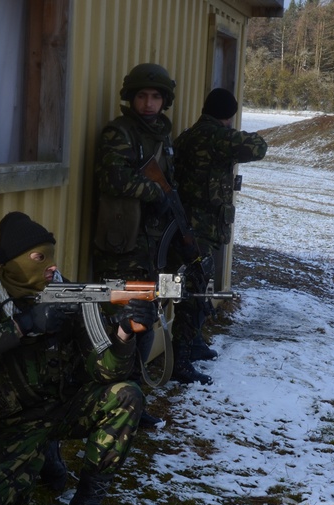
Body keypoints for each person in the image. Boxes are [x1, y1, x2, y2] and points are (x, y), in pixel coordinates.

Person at [0, 212, 155, 505]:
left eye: (51, 257)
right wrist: (23, 325)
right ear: (13, 262)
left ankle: (86, 504)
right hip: (14, 423)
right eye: (39, 258)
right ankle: (42, 453)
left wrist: (124, 334)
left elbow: (106, 371)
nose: (51, 267)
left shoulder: (72, 294)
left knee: (126, 394)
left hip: (65, 406)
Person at [92, 62, 212, 393]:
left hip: (156, 248)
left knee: (148, 318)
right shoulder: (119, 132)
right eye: (142, 96)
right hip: (126, 248)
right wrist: (153, 191)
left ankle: (135, 391)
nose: (148, 103)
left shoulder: (162, 135)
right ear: (131, 97)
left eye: (155, 97)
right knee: (123, 322)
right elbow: (111, 177)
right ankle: (118, 395)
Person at [173, 88, 267, 360]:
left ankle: (193, 342)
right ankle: (182, 354)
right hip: (201, 228)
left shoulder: (187, 136)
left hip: (184, 225)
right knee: (194, 289)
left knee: (197, 286)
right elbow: (258, 147)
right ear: (228, 116)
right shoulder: (217, 136)